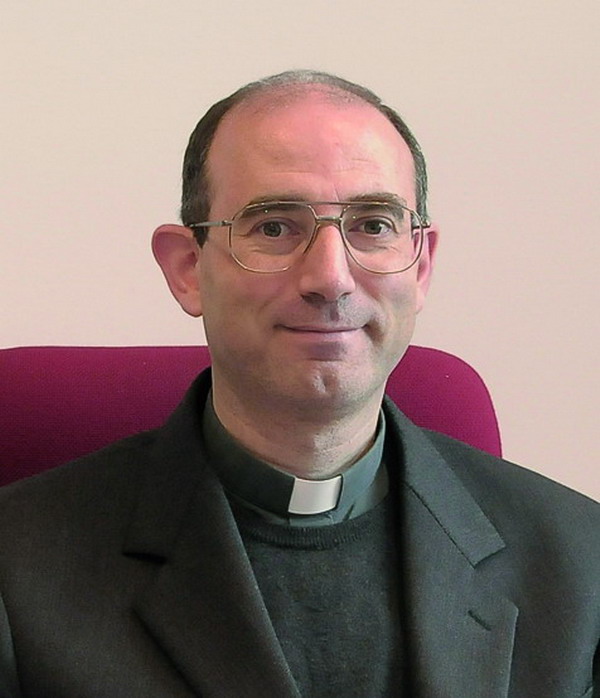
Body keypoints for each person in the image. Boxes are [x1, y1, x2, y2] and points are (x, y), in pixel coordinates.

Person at [0, 70, 598, 698]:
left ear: (420, 267)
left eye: (374, 224)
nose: (330, 278)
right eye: (274, 226)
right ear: (187, 269)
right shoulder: (16, 573)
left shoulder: (582, 568)